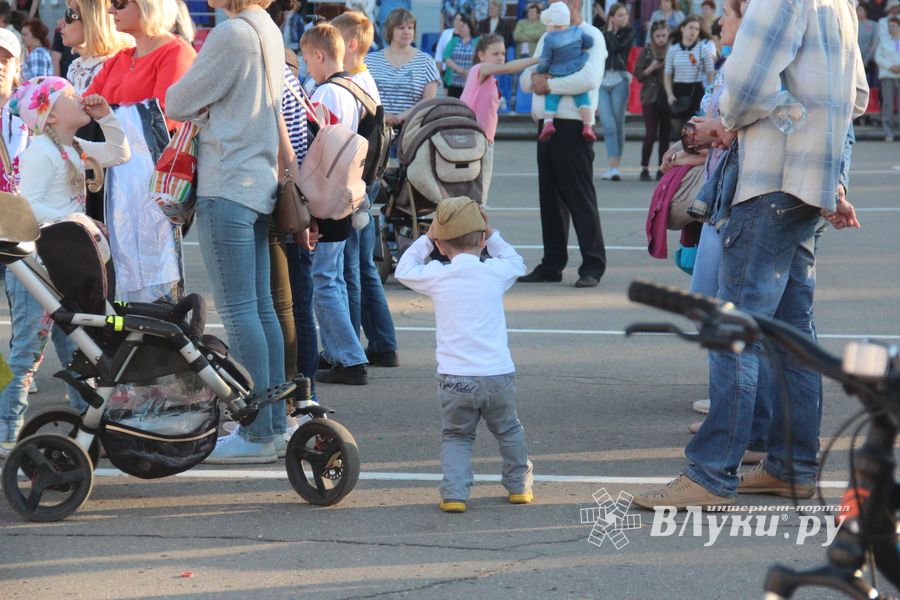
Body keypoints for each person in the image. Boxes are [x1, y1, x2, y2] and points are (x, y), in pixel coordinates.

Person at [632, 0, 868, 509]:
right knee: (792, 334)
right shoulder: (840, 5)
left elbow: (742, 90)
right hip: (809, 185)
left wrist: (728, 123)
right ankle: (792, 465)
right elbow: (859, 97)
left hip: (768, 182)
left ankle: (711, 474)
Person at [166, 0, 287, 463]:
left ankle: (256, 432)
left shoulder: (231, 34)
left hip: (228, 180)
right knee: (261, 311)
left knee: (239, 314)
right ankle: (273, 426)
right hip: (258, 181)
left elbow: (178, 100)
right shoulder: (267, 29)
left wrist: (206, 110)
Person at [1, 77, 129, 457]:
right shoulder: (41, 151)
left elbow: (119, 153)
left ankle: (83, 422)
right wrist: (78, 221)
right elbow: (30, 206)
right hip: (35, 270)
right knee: (27, 351)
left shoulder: (73, 146)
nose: (81, 99)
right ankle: (8, 431)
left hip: (61, 268)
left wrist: (106, 117)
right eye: (71, 96)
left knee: (75, 343)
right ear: (52, 115)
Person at [395, 197, 533, 514]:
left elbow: (404, 269)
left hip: (455, 377)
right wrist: (492, 233)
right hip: (496, 374)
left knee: (456, 436)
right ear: (482, 239)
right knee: (509, 430)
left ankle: (455, 494)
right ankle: (518, 487)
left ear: (441, 246)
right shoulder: (495, 272)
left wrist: (427, 239)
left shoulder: (438, 276)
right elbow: (517, 262)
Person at [85, 0, 196, 302]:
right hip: (112, 190)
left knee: (158, 286)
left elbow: (166, 121)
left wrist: (108, 116)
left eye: (119, 4)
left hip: (154, 189)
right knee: (118, 283)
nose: (110, 11)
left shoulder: (177, 53)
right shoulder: (118, 59)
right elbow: (84, 110)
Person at [299, 23, 371, 386]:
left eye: (306, 58)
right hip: (347, 192)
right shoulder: (352, 88)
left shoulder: (325, 93)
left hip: (326, 194)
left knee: (323, 279)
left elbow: (314, 146)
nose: (304, 66)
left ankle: (348, 358)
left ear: (319, 55)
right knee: (336, 277)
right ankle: (342, 350)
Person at [518, 0, 607, 289]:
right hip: (546, 125)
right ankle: (552, 263)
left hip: (574, 128)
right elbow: (526, 78)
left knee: (579, 197)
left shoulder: (590, 34)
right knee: (550, 198)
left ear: (578, 4)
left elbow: (589, 78)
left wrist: (549, 84)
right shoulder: (548, 34)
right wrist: (537, 80)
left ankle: (592, 265)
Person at [331, 11, 401, 370]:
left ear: (352, 44)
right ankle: (383, 342)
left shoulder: (352, 83)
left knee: (351, 269)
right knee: (362, 266)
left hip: (356, 180)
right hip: (368, 179)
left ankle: (352, 347)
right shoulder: (365, 80)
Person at [461, 33, 538, 201]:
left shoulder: (489, 78)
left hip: (484, 140)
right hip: (473, 139)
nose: (500, 58)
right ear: (481, 55)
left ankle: (475, 223)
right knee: (477, 191)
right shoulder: (479, 69)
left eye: (503, 54)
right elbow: (509, 68)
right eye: (495, 54)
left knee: (479, 191)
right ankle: (476, 224)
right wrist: (537, 59)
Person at [367, 8, 439, 132]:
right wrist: (383, 116)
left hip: (412, 132)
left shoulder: (427, 61)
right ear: (390, 30)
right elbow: (362, 96)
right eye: (401, 28)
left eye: (410, 28)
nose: (406, 31)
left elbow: (429, 100)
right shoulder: (370, 60)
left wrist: (401, 117)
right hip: (376, 131)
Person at [534, 2, 596, 143]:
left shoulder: (549, 39)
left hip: (557, 71)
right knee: (583, 98)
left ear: (552, 24)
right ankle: (587, 126)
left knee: (551, 98)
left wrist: (540, 72)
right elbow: (589, 42)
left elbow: (545, 60)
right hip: (576, 67)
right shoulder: (577, 31)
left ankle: (548, 123)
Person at [60, 0, 132, 94]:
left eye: (69, 15)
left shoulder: (111, 70)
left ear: (91, 22)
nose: (60, 22)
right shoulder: (76, 66)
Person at [597, 3, 633, 180]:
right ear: (611, 17)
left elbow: (618, 47)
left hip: (620, 81)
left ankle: (616, 167)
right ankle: (612, 166)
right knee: (608, 124)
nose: (624, 18)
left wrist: (611, 32)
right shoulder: (601, 34)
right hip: (602, 81)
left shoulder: (629, 33)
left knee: (618, 124)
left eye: (625, 15)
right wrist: (608, 31)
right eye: (620, 15)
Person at [663, 15, 716, 137]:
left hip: (696, 90)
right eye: (691, 27)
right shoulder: (673, 49)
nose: (693, 31)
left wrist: (709, 92)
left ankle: (688, 153)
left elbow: (710, 72)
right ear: (682, 28)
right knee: (677, 129)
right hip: (678, 90)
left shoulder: (703, 49)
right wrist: (669, 94)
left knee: (692, 132)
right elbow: (667, 74)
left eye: (697, 29)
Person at [634, 19, 670, 181]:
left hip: (667, 96)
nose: (661, 39)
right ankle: (644, 167)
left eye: (664, 35)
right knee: (650, 133)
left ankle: (661, 168)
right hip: (650, 96)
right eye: (658, 36)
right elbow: (638, 75)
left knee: (665, 135)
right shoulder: (647, 51)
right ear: (652, 36)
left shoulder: (673, 50)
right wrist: (652, 68)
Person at [442, 12, 478, 98]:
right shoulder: (454, 40)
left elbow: (480, 57)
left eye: (463, 26)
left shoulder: (477, 41)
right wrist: (461, 70)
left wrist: (470, 72)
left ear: (469, 27)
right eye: (459, 26)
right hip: (454, 82)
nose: (460, 28)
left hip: (471, 81)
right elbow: (446, 56)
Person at [875, 15, 900, 140]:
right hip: (887, 75)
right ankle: (889, 132)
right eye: (889, 26)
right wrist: (890, 66)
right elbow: (878, 57)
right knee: (888, 104)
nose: (891, 28)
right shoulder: (883, 39)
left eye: (893, 26)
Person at [858, 3, 881, 87]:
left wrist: (867, 59)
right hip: (854, 59)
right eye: (857, 9)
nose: (858, 12)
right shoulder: (853, 23)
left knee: (868, 84)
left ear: (866, 11)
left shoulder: (873, 24)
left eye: (861, 9)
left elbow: (874, 43)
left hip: (868, 60)